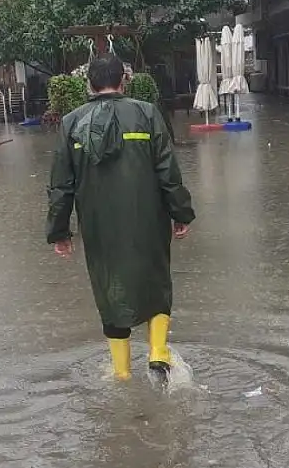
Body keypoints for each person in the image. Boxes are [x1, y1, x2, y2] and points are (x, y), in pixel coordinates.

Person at [47, 53, 195, 382]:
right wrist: (180, 211)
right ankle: (157, 352)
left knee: (109, 290)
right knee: (156, 282)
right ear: (124, 80)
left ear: (88, 83)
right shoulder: (147, 113)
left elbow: (61, 184)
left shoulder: (71, 122)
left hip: (99, 226)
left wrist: (59, 231)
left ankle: (122, 374)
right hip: (148, 219)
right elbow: (167, 171)